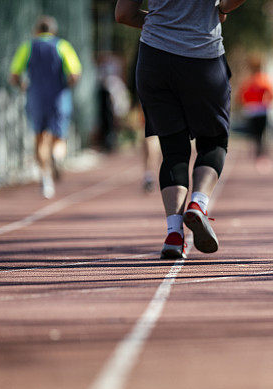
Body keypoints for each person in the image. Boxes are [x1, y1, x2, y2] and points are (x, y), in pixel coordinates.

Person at [116, 0, 246, 259]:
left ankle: (174, 233)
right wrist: (221, 10)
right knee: (213, 141)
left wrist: (161, 22)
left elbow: (123, 14)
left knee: (172, 149)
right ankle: (198, 202)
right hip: (203, 58)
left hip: (155, 59)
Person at [10, 16, 82, 199]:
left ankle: (45, 178)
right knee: (59, 136)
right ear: (53, 31)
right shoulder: (63, 46)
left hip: (36, 96)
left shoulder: (28, 47)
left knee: (39, 137)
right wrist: (67, 84)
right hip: (59, 96)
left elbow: (14, 75)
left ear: (36, 30)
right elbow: (75, 73)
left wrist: (23, 85)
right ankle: (57, 158)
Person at [239, 54, 273, 166]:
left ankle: (260, 153)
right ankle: (259, 152)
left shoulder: (257, 80)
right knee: (257, 134)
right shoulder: (255, 80)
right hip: (255, 110)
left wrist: (265, 102)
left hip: (257, 110)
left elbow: (272, 93)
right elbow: (242, 95)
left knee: (258, 133)